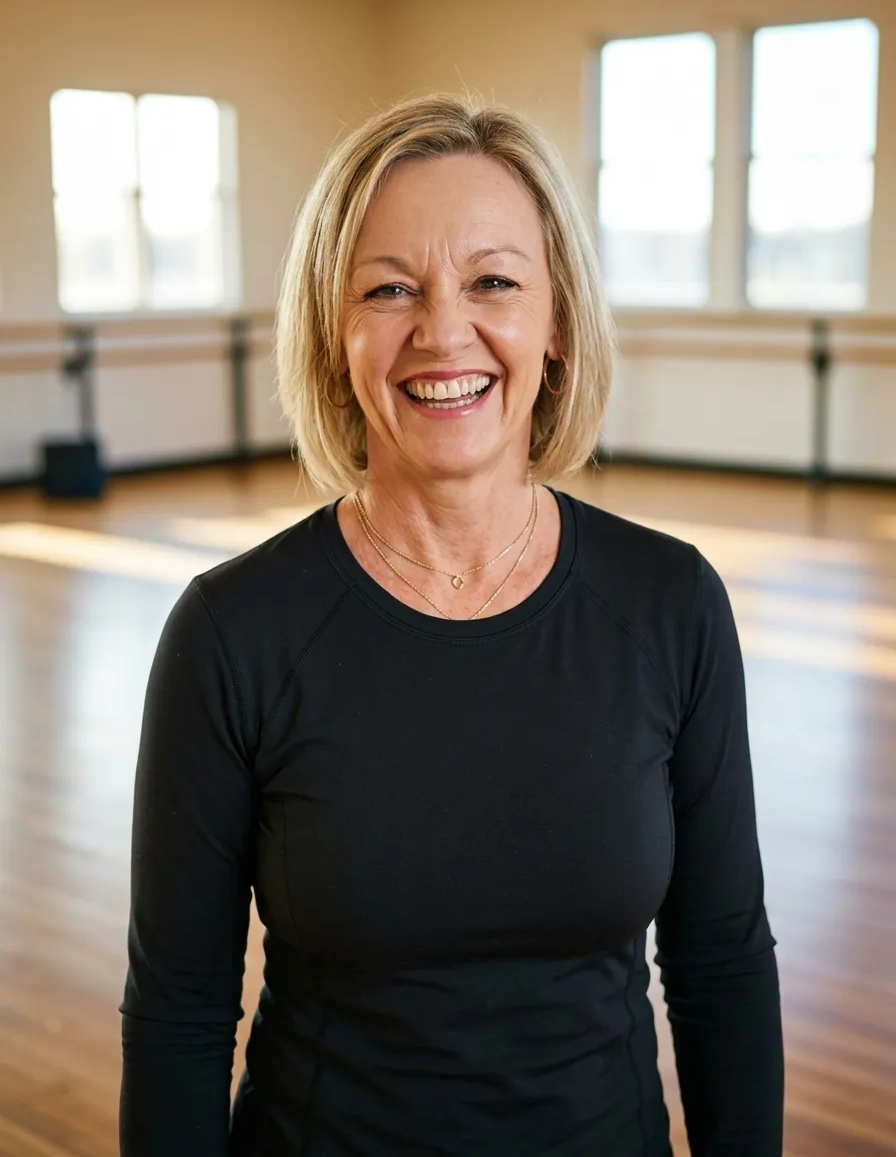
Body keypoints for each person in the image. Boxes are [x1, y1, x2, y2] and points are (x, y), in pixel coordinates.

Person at [119, 92, 784, 1156]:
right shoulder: (231, 632)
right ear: (333, 336)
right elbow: (179, 1015)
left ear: (556, 322)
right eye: (389, 288)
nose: (441, 331)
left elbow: (721, 963)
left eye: (493, 282)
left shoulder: (670, 602)